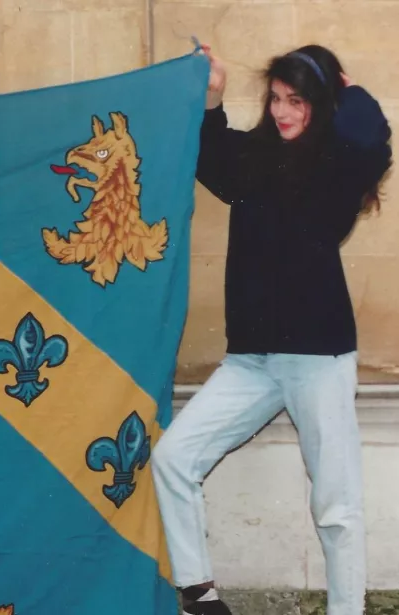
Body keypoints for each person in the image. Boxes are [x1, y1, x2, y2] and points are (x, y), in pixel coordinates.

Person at [152, 43, 391, 615]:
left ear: (324, 104)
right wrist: (211, 95)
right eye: (277, 99)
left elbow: (373, 129)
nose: (283, 111)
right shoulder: (253, 159)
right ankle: (200, 595)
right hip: (251, 361)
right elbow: (206, 153)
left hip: (319, 359)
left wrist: (344, 84)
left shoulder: (340, 165)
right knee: (172, 459)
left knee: (335, 506)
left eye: (298, 101)